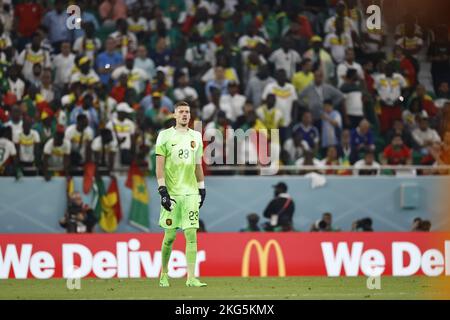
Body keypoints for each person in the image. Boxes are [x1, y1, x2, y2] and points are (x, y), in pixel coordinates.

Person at [155, 101, 207, 287]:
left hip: (191, 194)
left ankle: (191, 278)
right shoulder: (164, 136)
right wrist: (162, 190)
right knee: (169, 237)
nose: (185, 114)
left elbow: (197, 164)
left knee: (191, 235)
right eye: (181, 112)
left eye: (187, 112)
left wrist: (202, 187)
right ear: (174, 115)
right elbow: (159, 166)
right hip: (173, 194)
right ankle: (164, 274)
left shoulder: (196, 137)